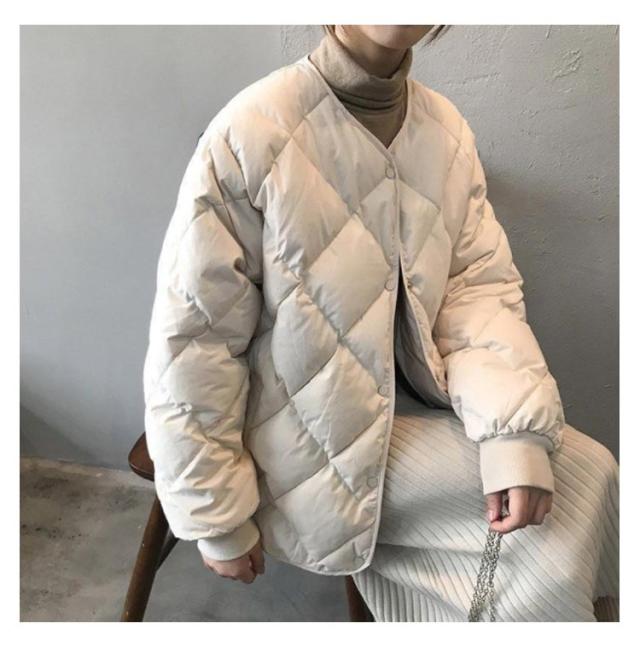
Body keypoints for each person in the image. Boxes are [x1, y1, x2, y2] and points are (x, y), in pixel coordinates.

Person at [142, 25, 619, 621]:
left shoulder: (446, 132)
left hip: (418, 405)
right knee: (553, 536)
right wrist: (215, 516)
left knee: (593, 473)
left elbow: (477, 294)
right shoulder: (250, 131)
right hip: (293, 433)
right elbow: (197, 342)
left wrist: (511, 433)